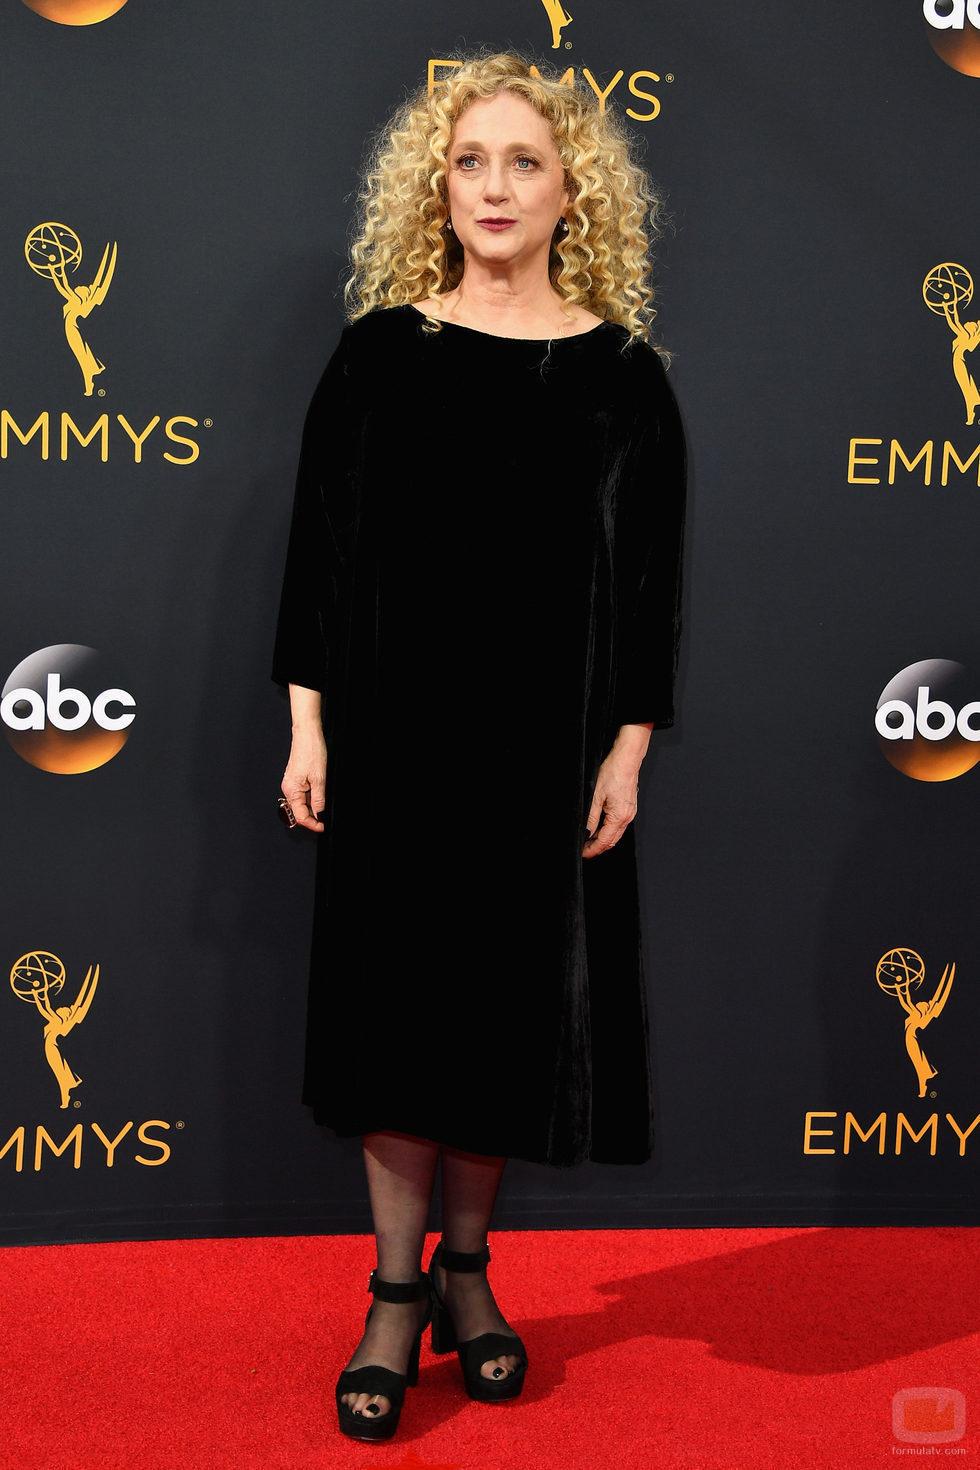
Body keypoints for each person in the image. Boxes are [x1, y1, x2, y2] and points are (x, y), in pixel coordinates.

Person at [272, 53, 686, 1442]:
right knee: (401, 1022)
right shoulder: (381, 352)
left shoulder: (624, 377)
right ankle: (394, 1292)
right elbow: (320, 555)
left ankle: (468, 1278)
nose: (495, 185)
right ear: (435, 189)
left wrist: (627, 748)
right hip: (392, 743)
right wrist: (308, 723)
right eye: (470, 161)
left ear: (574, 192)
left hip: (540, 753)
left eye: (524, 160)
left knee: (499, 1021)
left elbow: (646, 585)